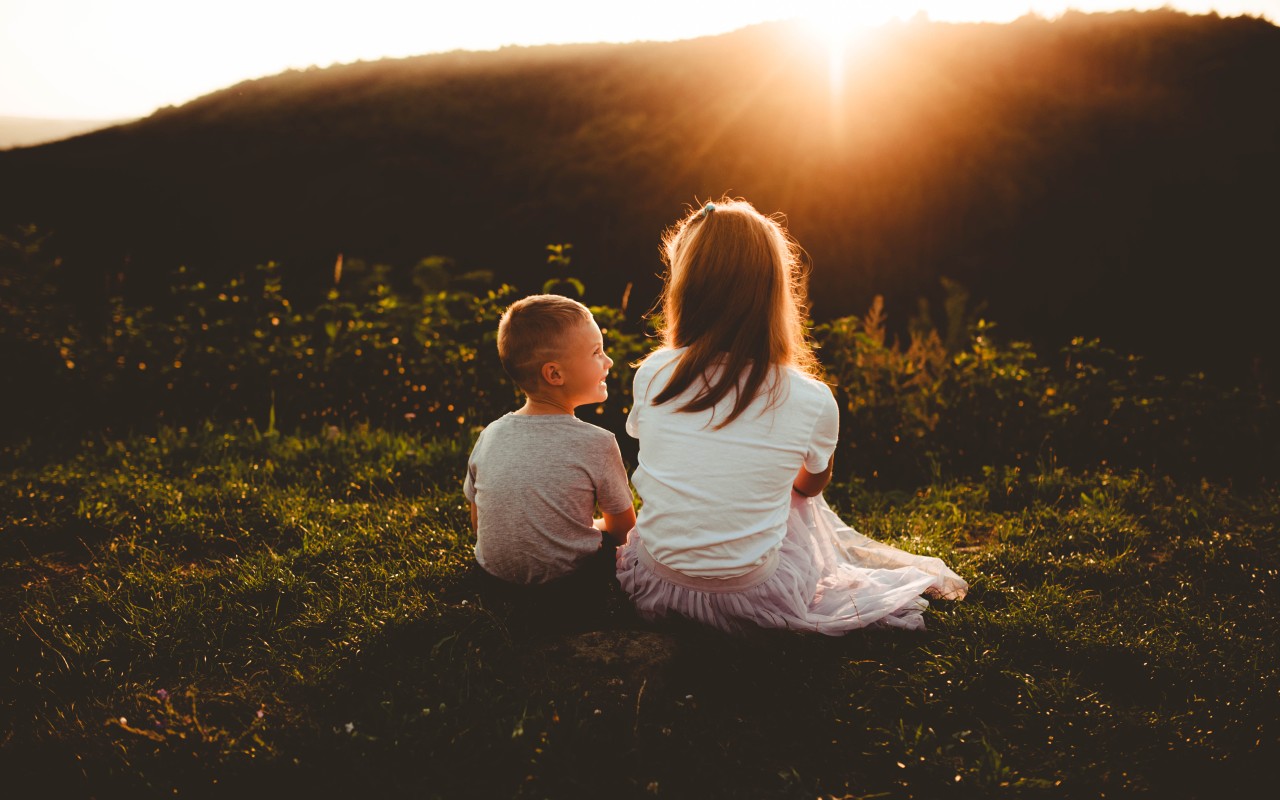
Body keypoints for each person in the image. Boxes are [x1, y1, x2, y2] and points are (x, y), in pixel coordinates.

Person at [617, 199, 967, 634]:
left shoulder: (653, 372)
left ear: (685, 287)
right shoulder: (811, 397)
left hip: (658, 588)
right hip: (753, 597)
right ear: (773, 291)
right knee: (796, 501)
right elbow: (810, 485)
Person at [463, 294, 637, 587]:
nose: (608, 361)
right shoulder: (598, 442)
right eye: (597, 352)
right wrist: (599, 528)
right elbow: (625, 532)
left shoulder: (489, 434)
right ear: (554, 373)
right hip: (571, 584)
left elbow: (479, 522)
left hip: (492, 579)